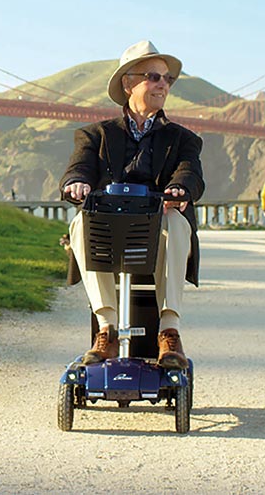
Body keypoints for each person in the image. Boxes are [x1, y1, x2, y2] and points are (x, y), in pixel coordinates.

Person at [60, 40, 205, 369]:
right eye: (154, 76)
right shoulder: (95, 134)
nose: (162, 85)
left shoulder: (183, 138)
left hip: (157, 223)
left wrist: (180, 190)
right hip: (110, 227)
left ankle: (169, 332)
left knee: (178, 223)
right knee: (80, 223)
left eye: (168, 79)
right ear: (128, 83)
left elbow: (190, 172)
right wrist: (75, 183)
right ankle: (107, 329)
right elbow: (79, 166)